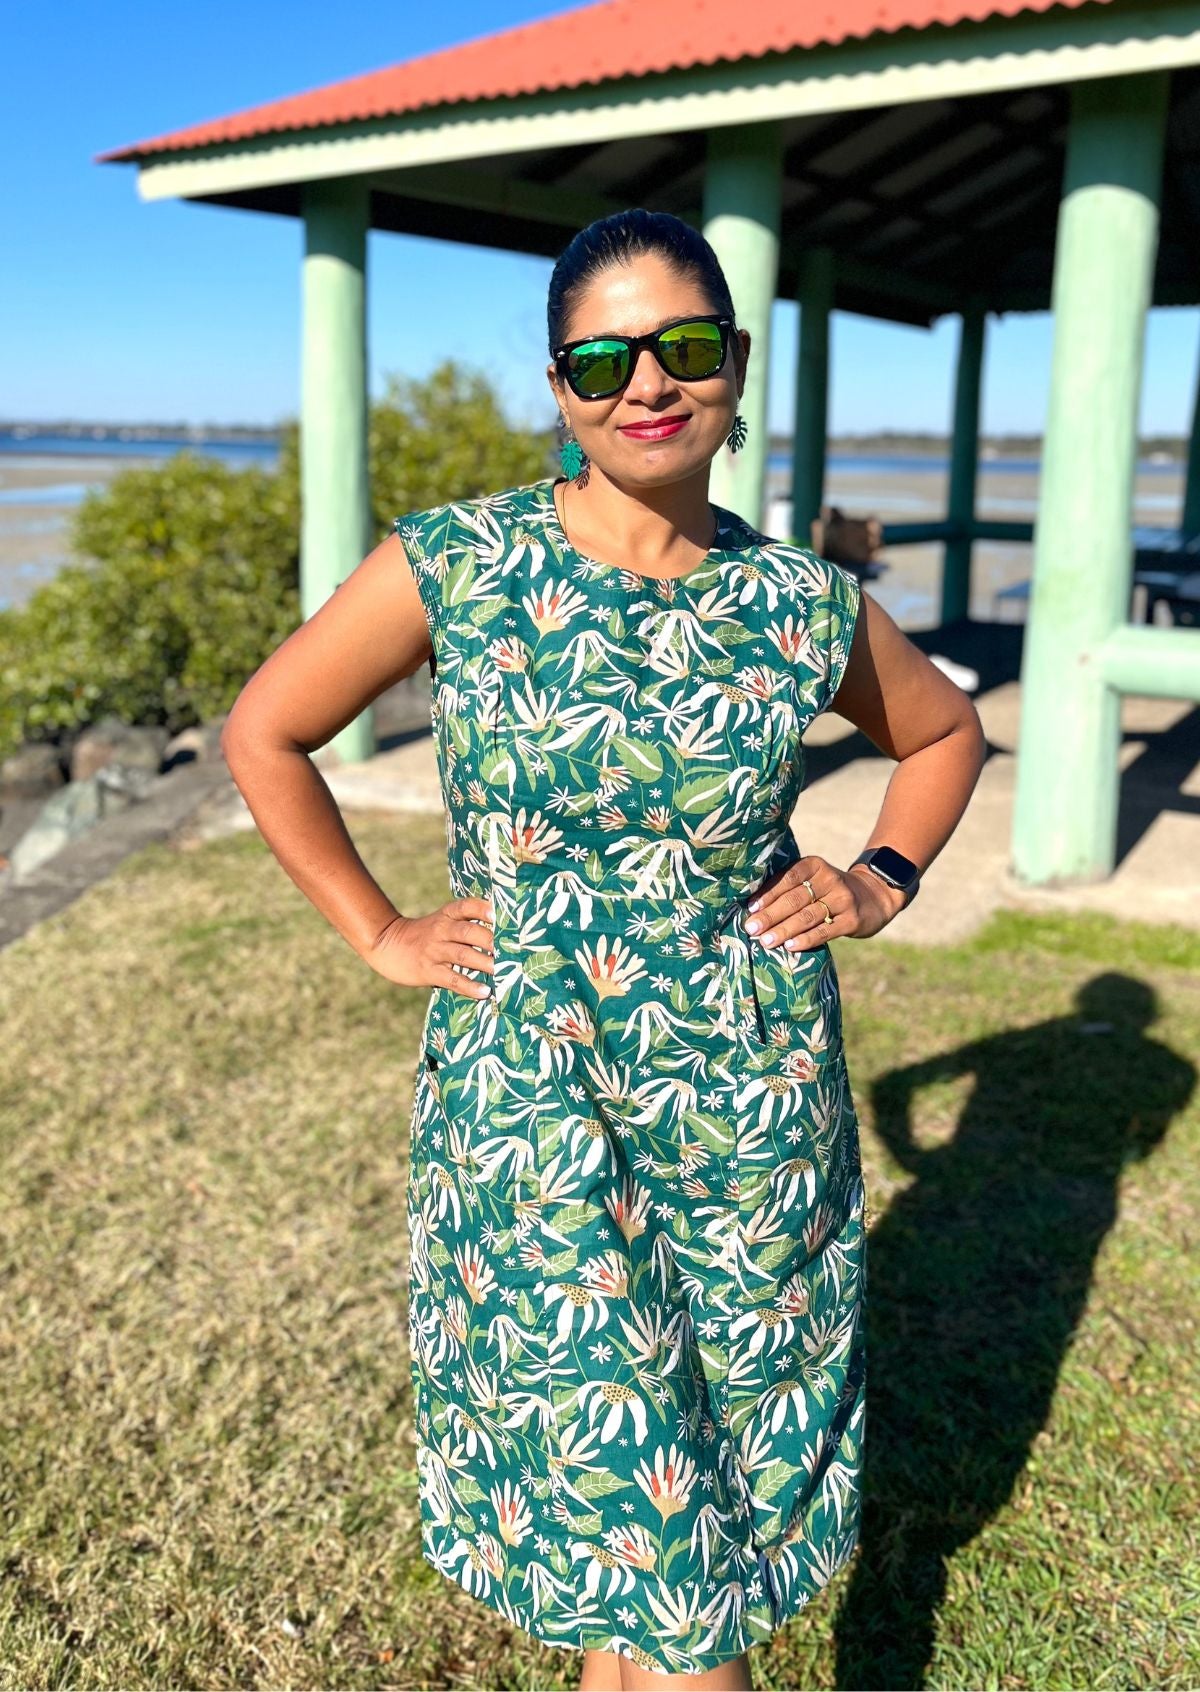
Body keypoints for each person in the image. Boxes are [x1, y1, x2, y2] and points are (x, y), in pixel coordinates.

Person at [221, 208, 986, 1690]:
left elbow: (945, 732)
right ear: (560, 387)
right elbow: (267, 730)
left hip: (753, 1118)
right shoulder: (458, 562)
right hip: (534, 1110)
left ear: (734, 364)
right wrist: (378, 929)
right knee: (651, 1536)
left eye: (683, 347)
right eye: (602, 359)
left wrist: (881, 876)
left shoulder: (798, 603)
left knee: (679, 1535)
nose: (647, 383)